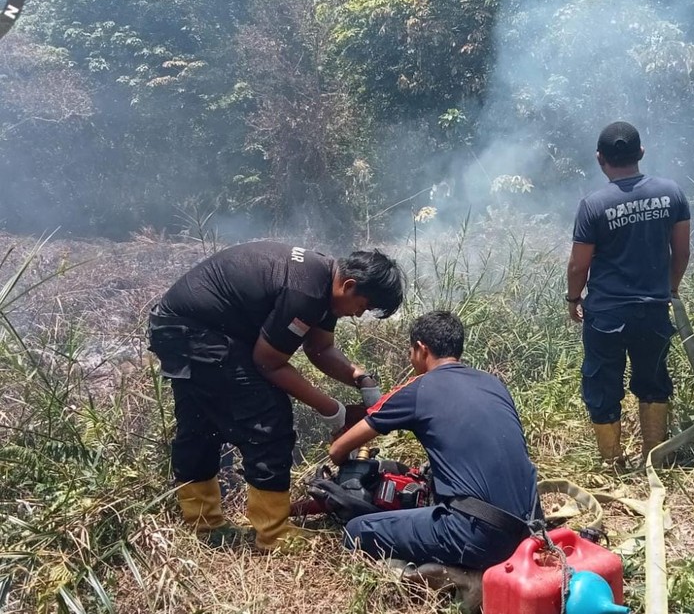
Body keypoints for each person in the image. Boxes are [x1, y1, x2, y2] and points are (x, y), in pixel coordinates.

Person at [147, 241, 404, 550]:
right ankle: (273, 533)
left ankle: (202, 525)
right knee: (268, 418)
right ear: (350, 285)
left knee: (201, 424)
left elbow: (319, 348)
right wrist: (334, 411)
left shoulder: (325, 281)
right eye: (361, 307)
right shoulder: (307, 292)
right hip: (193, 333)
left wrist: (359, 378)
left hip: (186, 328)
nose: (356, 314)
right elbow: (268, 363)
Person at [329, 311, 542, 569]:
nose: (410, 358)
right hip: (529, 530)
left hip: (479, 537)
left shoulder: (418, 389)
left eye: (410, 351)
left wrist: (342, 464)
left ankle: (437, 573)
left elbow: (339, 449)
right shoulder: (492, 383)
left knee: (356, 530)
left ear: (421, 349)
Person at [566, 121, 691, 466]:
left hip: (606, 315)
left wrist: (573, 299)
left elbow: (579, 266)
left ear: (599, 158)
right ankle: (654, 457)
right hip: (653, 310)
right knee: (653, 381)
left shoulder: (593, 205)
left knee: (602, 385)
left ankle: (612, 463)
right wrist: (670, 288)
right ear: (640, 153)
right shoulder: (672, 194)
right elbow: (681, 252)